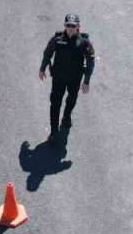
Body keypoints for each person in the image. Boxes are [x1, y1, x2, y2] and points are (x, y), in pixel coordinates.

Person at [39, 14, 95, 143]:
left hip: (75, 79)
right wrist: (42, 69)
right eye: (68, 25)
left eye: (73, 26)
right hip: (58, 78)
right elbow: (47, 54)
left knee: (71, 100)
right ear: (65, 25)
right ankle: (53, 132)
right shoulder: (57, 39)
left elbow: (91, 62)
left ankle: (67, 116)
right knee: (55, 104)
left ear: (78, 26)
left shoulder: (84, 42)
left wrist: (86, 82)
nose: (70, 28)